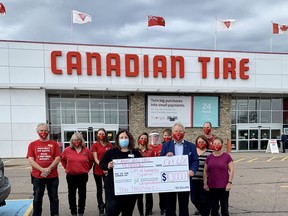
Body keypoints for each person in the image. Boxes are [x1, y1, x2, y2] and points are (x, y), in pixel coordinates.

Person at [99, 129, 142, 216]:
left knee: (128, 213)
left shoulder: (135, 153)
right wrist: (108, 166)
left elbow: (144, 165)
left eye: (126, 137)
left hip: (130, 192)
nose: (124, 139)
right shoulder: (111, 152)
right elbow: (101, 163)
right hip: (114, 191)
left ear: (129, 139)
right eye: (121, 137)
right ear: (118, 140)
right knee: (112, 213)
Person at [160, 122, 199, 216]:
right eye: (176, 131)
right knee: (169, 206)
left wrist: (192, 170)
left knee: (184, 206)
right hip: (170, 181)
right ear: (172, 133)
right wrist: (165, 157)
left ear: (184, 133)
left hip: (184, 180)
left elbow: (195, 161)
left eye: (180, 131)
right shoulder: (166, 145)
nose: (178, 133)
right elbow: (160, 161)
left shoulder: (191, 146)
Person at [26, 123, 61, 216]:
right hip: (37, 176)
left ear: (48, 131)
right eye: (41, 130)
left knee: (54, 198)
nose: (43, 132)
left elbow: (57, 158)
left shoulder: (54, 144)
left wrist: (48, 169)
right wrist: (42, 169)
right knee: (37, 198)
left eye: (45, 130)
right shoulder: (32, 144)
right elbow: (31, 160)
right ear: (37, 132)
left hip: (52, 176)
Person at [61, 132, 94, 216]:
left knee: (82, 194)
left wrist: (87, 168)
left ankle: (81, 211)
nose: (76, 141)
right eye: (74, 140)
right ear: (72, 141)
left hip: (82, 176)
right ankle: (73, 212)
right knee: (71, 194)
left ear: (81, 140)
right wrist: (67, 168)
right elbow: (63, 160)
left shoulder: (86, 150)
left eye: (78, 139)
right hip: (71, 176)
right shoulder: (67, 150)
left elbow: (91, 160)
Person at [203, 137, 234, 216]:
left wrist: (229, 183)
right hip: (212, 186)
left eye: (219, 143)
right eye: (215, 143)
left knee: (224, 207)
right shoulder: (209, 157)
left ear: (222, 144)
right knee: (214, 208)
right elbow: (205, 171)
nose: (217, 145)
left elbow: (232, 170)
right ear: (212, 145)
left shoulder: (227, 156)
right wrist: (205, 183)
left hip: (224, 186)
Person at [91, 128, 113, 215]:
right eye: (99, 134)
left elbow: (111, 157)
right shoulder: (95, 145)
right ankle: (100, 206)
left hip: (107, 170)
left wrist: (107, 168)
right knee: (99, 189)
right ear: (97, 135)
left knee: (107, 189)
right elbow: (96, 159)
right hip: (97, 169)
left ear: (105, 135)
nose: (101, 136)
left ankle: (107, 206)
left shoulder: (109, 145)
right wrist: (103, 167)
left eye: (102, 134)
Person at [191, 135, 213, 216]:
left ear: (206, 143)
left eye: (203, 142)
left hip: (205, 180)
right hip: (193, 179)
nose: (201, 143)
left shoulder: (210, 153)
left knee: (204, 199)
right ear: (196, 143)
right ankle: (204, 211)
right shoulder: (193, 151)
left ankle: (205, 213)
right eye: (199, 142)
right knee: (194, 199)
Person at [148, 132, 166, 215]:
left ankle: (163, 208)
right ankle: (149, 209)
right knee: (149, 192)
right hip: (150, 172)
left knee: (162, 192)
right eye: (153, 137)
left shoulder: (162, 147)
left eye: (156, 137)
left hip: (160, 171)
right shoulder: (148, 147)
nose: (154, 139)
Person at [136, 132, 153, 216]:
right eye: (142, 138)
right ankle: (141, 214)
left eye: (145, 139)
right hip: (138, 178)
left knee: (149, 197)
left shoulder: (150, 151)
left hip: (148, 177)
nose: (143, 140)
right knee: (139, 198)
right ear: (138, 139)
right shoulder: (134, 151)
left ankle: (147, 213)